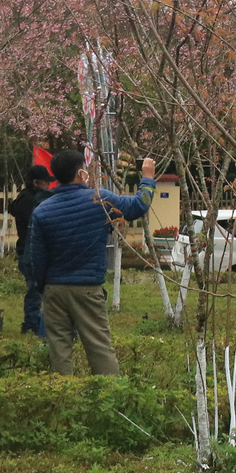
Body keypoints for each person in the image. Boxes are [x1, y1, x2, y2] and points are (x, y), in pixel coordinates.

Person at [23, 149, 155, 377]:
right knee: (99, 347)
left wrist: (43, 287)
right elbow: (137, 206)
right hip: (87, 289)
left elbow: (35, 259)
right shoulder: (99, 200)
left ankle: (63, 399)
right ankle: (109, 398)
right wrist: (148, 178)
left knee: (59, 349)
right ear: (80, 173)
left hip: (54, 289)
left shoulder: (42, 210)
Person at [7, 164, 53, 337]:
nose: (48, 185)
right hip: (29, 251)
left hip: (28, 250)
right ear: (36, 182)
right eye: (45, 182)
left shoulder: (28, 198)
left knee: (35, 288)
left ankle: (34, 322)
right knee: (34, 289)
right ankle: (31, 323)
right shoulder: (28, 200)